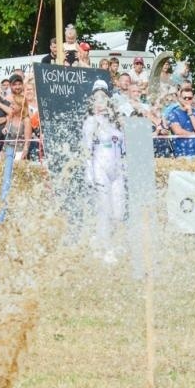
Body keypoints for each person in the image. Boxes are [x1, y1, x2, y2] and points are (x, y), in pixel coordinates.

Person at [82, 88, 127, 261]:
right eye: (97, 100)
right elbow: (87, 149)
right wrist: (89, 173)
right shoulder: (91, 122)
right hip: (100, 169)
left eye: (104, 100)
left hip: (117, 171)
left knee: (118, 212)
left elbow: (124, 149)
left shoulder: (115, 123)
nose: (101, 103)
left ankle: (104, 241)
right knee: (105, 210)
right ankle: (106, 249)